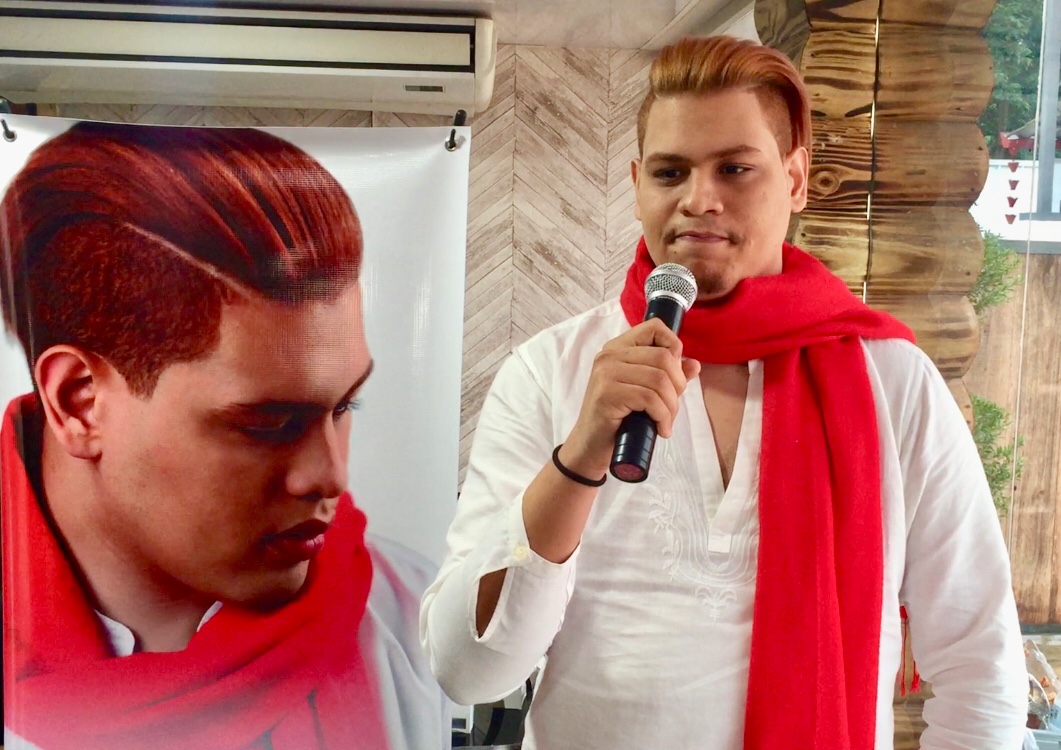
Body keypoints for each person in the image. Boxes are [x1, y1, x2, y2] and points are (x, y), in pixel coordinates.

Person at [420, 35, 1028, 749]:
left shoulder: (890, 380)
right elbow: (467, 671)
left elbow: (980, 664)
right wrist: (578, 457)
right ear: (636, 183)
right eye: (669, 172)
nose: (698, 200)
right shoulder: (549, 371)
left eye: (734, 169)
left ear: (796, 179)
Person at [0, 121, 448, 750]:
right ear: (80, 403)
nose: (331, 478)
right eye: (265, 424)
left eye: (345, 405)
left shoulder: (412, 617)